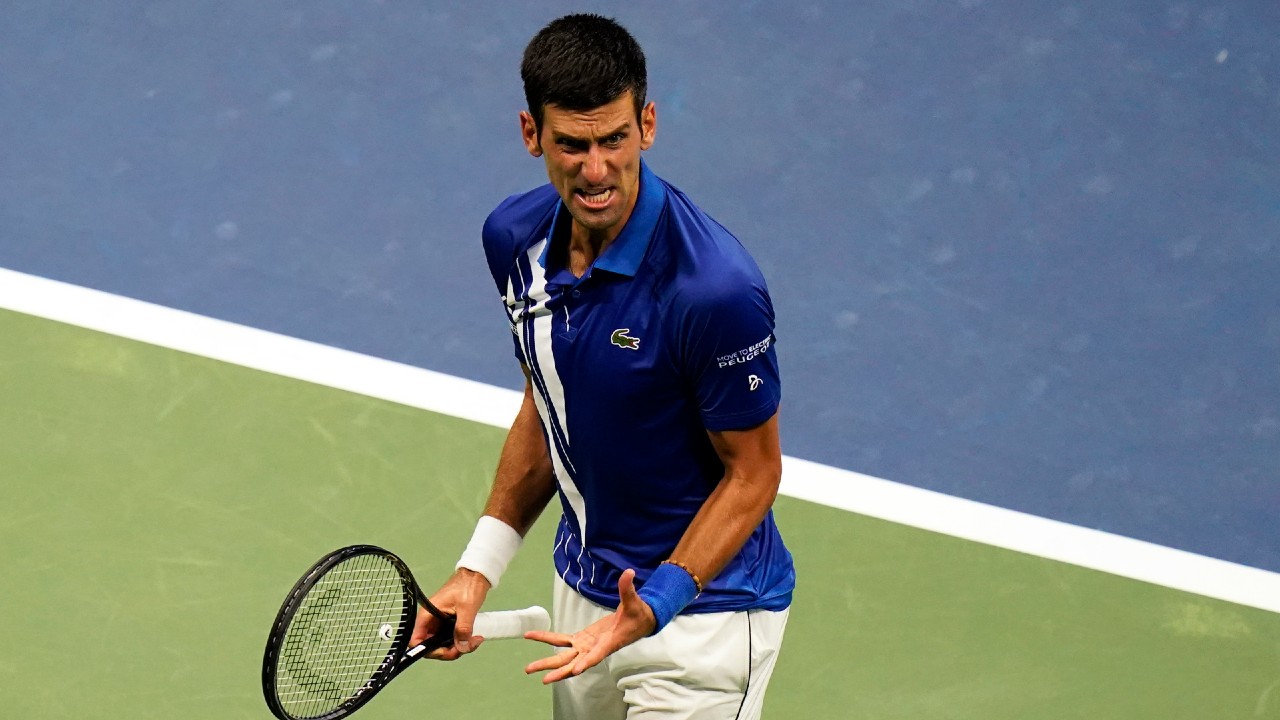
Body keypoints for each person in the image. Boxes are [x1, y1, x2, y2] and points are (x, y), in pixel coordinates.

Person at [412, 13, 795, 719]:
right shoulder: (514, 240)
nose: (596, 170)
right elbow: (551, 400)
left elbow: (755, 473)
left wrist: (652, 607)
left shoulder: (713, 290)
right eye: (573, 145)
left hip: (702, 617)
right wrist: (477, 571)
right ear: (533, 136)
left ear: (647, 124)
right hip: (583, 598)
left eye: (615, 139)